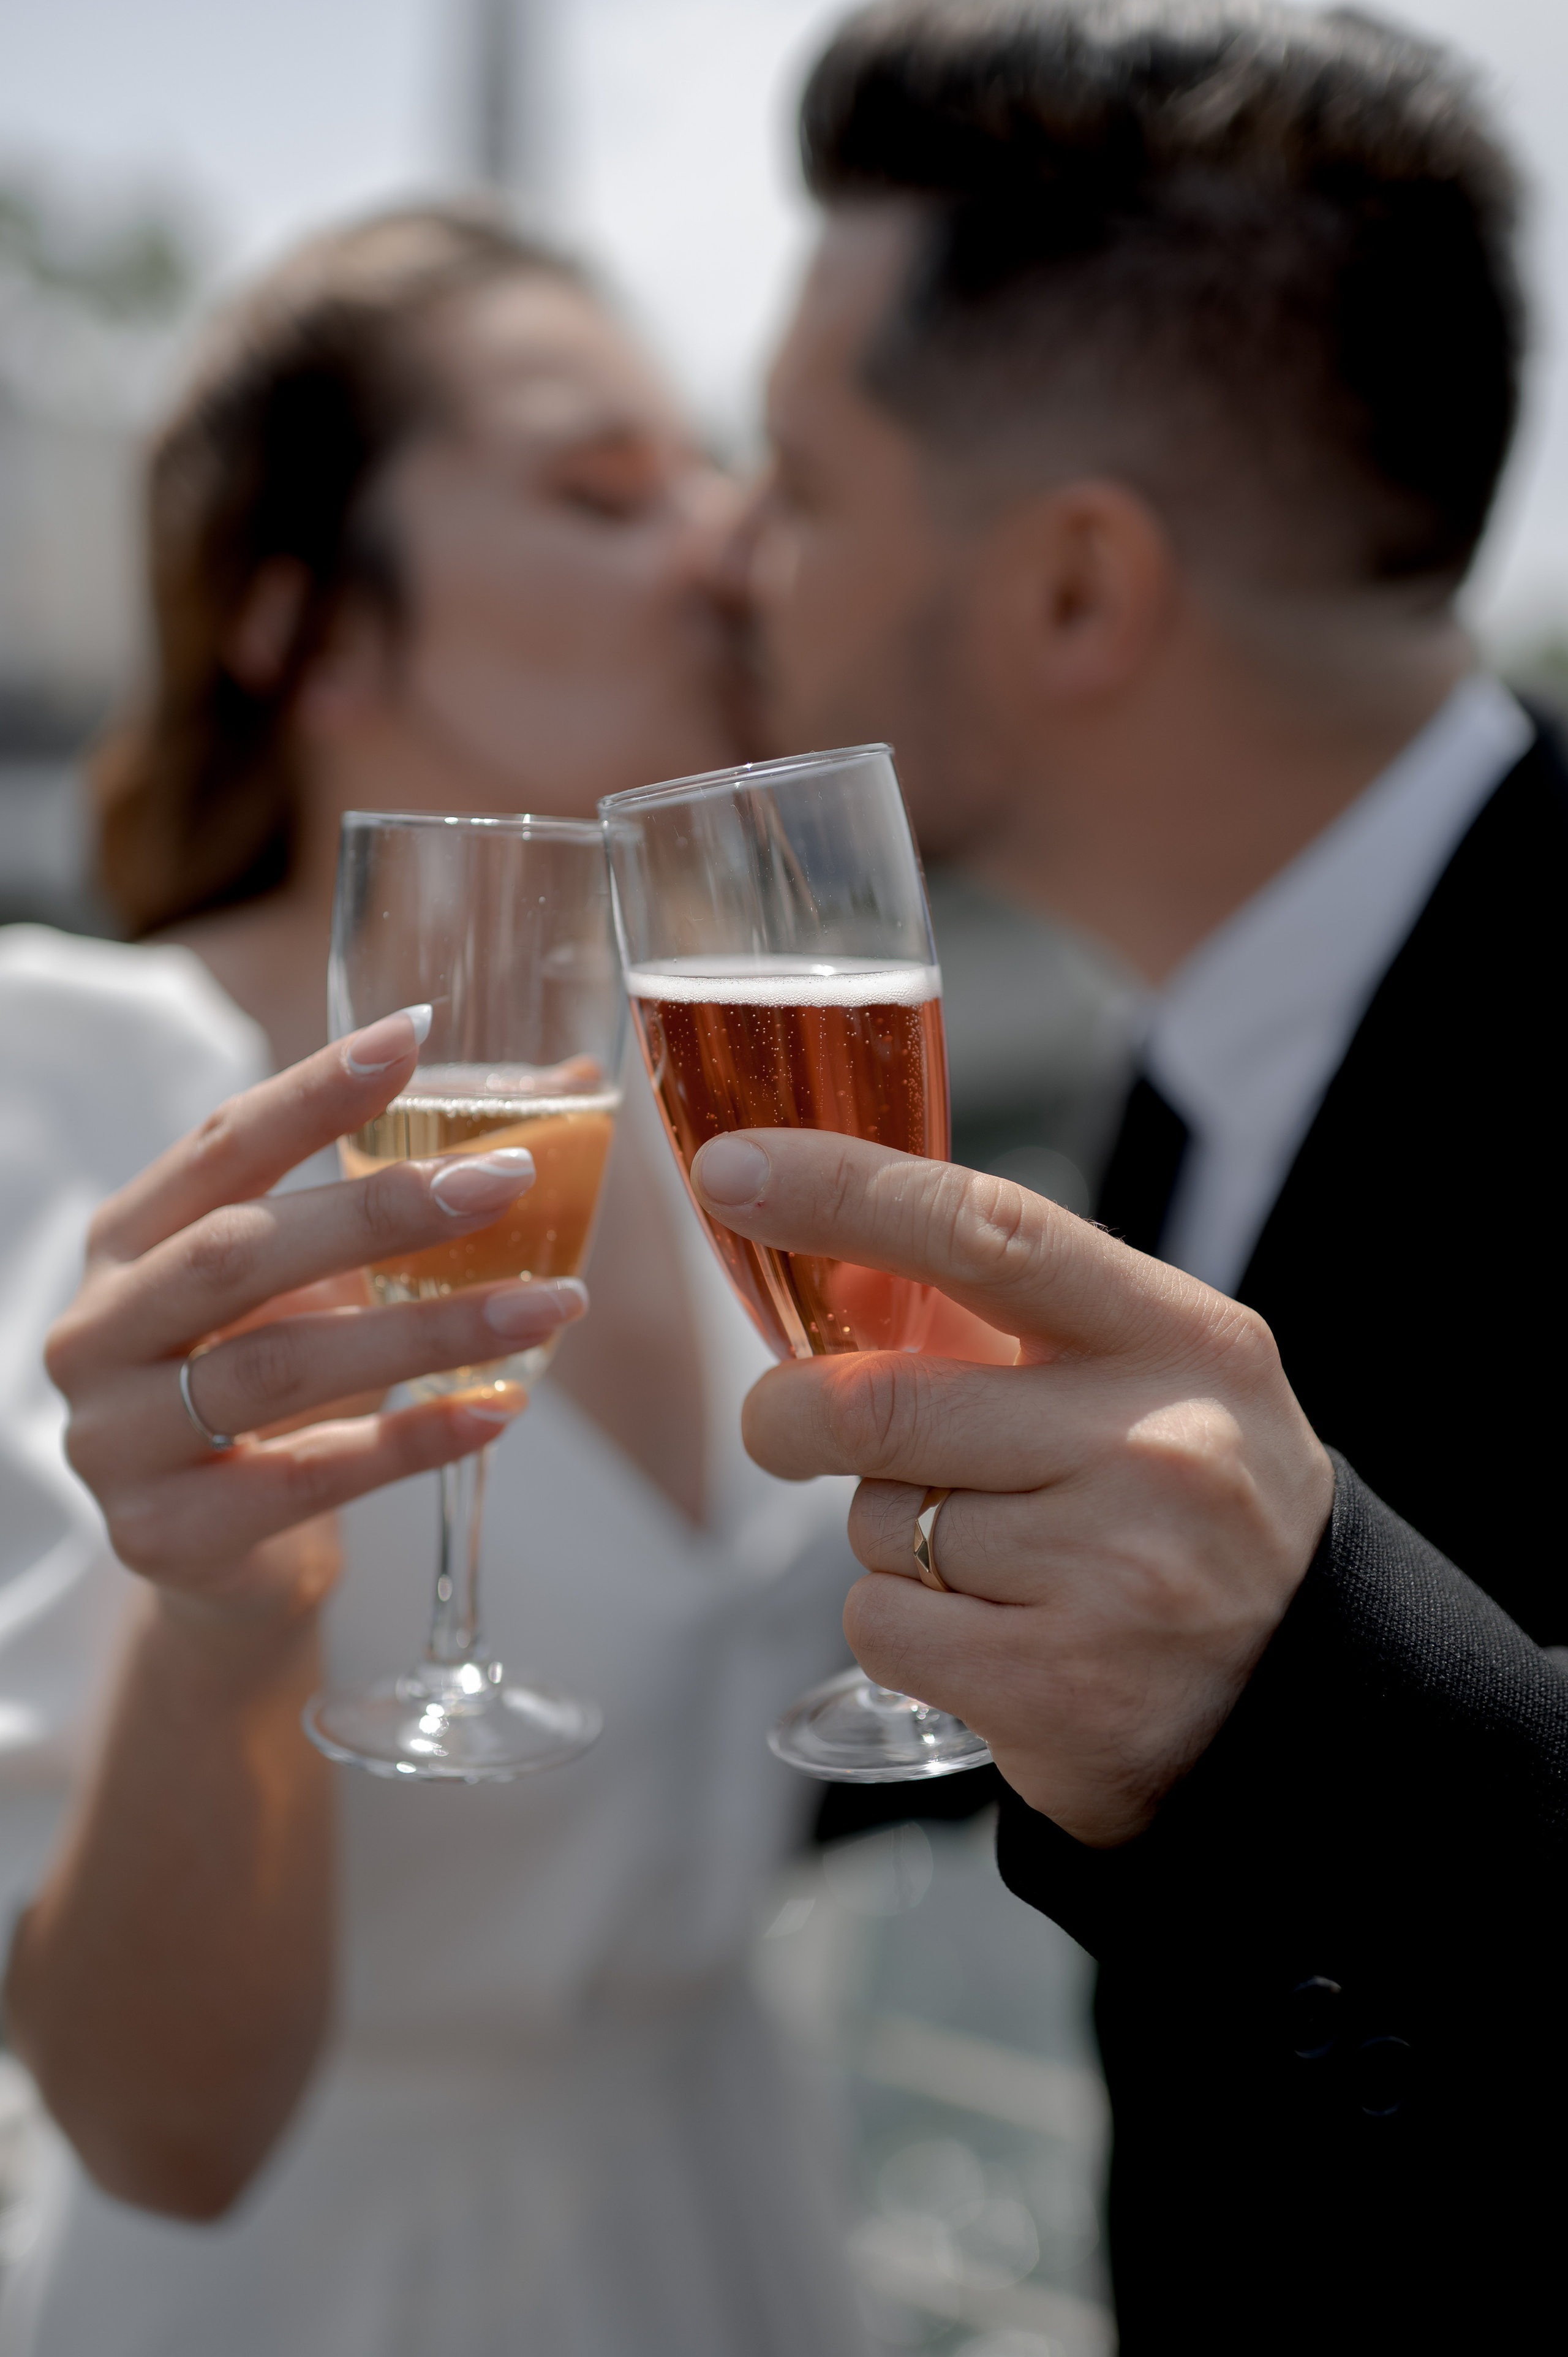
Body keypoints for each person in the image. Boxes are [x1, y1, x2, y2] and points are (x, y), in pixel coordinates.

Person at [701, 0, 1566, 2342]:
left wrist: (1304, 1678)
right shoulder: (1207, 1048)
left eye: (794, 479)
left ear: (1077, 589)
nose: (726, 550)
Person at [0, 206, 869, 2357]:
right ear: (304, 624)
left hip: (732, 2234)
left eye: (718, 474)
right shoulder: (61, 1098)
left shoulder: (715, 1103)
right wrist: (221, 1631)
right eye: (604, 488)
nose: (723, 543)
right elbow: (149, 2127)